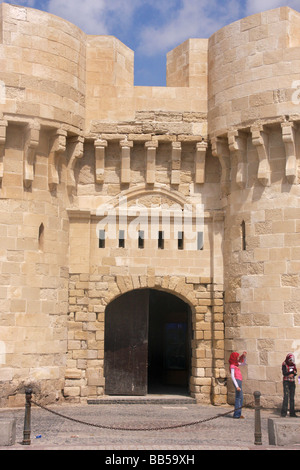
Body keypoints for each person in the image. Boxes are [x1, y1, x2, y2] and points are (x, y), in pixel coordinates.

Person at [229, 351, 247, 419]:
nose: (237, 358)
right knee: (238, 397)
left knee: (241, 398)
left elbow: (244, 363)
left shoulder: (236, 364)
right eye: (236, 357)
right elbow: (233, 376)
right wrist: (237, 386)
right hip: (237, 381)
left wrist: (244, 357)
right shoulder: (232, 366)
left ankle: (239, 413)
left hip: (239, 381)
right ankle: (236, 414)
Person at [281, 353, 298, 417]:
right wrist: (291, 373)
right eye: (290, 360)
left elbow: (295, 371)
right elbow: (284, 373)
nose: (291, 362)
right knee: (286, 397)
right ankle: (283, 412)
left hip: (292, 381)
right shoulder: (284, 364)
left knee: (292, 398)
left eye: (292, 360)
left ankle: (292, 413)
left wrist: (293, 374)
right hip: (286, 381)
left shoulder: (293, 365)